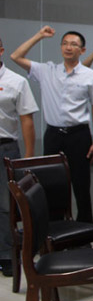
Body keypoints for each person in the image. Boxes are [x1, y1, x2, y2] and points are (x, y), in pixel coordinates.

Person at [11, 26, 93, 223]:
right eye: (64, 44)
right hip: (53, 134)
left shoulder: (91, 76)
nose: (68, 47)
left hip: (79, 135)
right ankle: (56, 228)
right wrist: (39, 36)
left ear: (82, 50)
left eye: (73, 44)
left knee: (81, 184)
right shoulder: (46, 70)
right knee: (52, 184)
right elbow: (16, 56)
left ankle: (85, 227)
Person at [0, 36, 38, 276]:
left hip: (5, 148)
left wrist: (28, 156)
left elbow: (27, 120)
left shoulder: (16, 81)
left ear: (1, 50)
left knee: (6, 205)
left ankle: (7, 255)